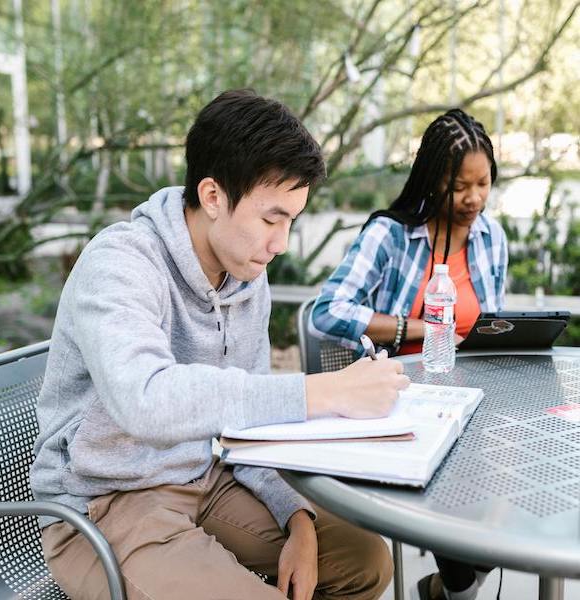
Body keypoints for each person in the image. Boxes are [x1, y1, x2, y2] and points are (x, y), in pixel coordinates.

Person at [30, 89, 410, 600]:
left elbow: (245, 423)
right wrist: (324, 392)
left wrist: (296, 516)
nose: (279, 244)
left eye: (291, 222)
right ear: (212, 197)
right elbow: (146, 400)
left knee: (362, 559)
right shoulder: (121, 263)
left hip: (205, 477)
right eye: (271, 218)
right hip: (105, 506)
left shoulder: (247, 277)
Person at [309, 108, 508, 600]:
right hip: (403, 399)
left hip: (474, 399)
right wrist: (422, 328)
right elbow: (327, 312)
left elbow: (488, 325)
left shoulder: (491, 239)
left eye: (484, 184)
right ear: (431, 179)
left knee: (507, 500)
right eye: (461, 186)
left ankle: (448, 587)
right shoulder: (391, 237)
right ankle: (451, 591)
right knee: (458, 498)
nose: (474, 199)